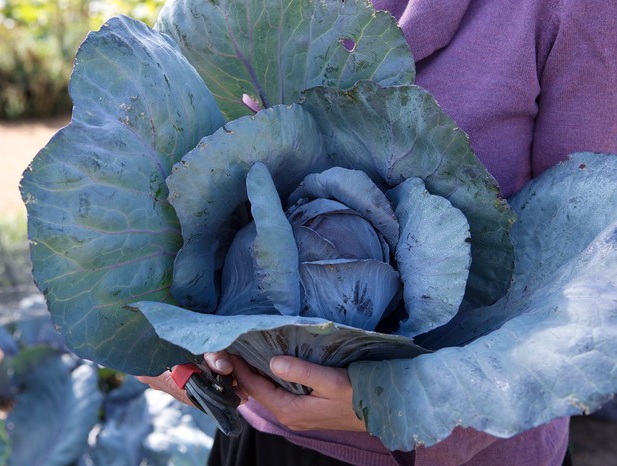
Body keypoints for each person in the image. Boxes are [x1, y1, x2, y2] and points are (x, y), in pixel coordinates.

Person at [139, 0, 617, 464]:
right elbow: (124, 216)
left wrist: (395, 406)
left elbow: (590, 248)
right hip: (263, 441)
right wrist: (173, 358)